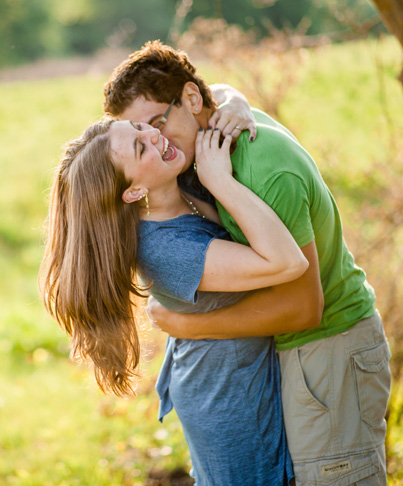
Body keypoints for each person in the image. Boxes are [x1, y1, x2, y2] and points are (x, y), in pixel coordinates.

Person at [103, 40, 391, 486]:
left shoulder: (257, 170)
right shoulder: (200, 150)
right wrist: (233, 98)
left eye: (156, 124)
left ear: (193, 101)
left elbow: (303, 307)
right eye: (139, 135)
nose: (155, 138)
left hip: (329, 345)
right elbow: (206, 94)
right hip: (299, 354)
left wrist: (188, 326)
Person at [39, 115, 307, 484]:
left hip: (239, 383)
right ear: (132, 192)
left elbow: (208, 94)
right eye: (140, 146)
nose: (153, 134)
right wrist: (221, 181)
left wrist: (237, 104)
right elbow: (288, 262)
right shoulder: (165, 249)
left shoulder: (182, 190)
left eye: (139, 126)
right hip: (229, 404)